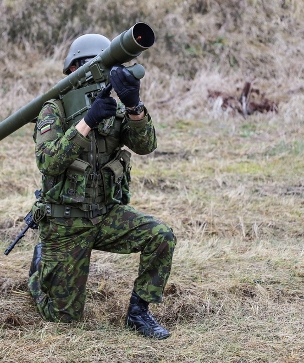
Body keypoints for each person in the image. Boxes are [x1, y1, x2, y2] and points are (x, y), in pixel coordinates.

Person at [27, 33, 176, 339]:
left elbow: (146, 145)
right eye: (84, 66)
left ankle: (139, 313)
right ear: (72, 71)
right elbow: (49, 162)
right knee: (63, 318)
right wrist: (87, 122)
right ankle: (40, 270)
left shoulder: (116, 108)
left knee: (161, 236)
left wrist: (134, 106)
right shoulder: (54, 109)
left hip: (105, 214)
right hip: (65, 223)